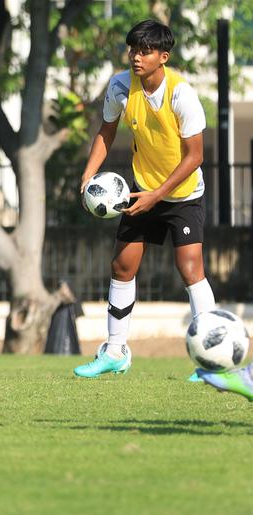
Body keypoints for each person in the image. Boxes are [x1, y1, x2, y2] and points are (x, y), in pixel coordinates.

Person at [74, 20, 212, 379]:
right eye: (133, 49)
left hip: (181, 194)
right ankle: (115, 352)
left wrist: (158, 196)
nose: (137, 57)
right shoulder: (120, 86)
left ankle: (209, 359)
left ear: (163, 57)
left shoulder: (182, 95)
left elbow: (194, 156)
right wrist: (89, 173)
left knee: (190, 269)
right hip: (140, 190)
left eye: (145, 51)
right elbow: (106, 132)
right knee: (122, 267)